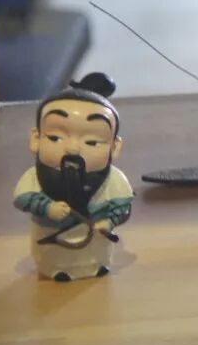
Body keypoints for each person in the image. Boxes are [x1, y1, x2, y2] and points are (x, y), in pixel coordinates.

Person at [13, 73, 133, 281]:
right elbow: (22, 198)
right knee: (56, 260)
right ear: (36, 139)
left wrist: (110, 221)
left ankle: (96, 267)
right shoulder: (35, 177)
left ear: (114, 147)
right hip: (52, 244)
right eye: (55, 138)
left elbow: (123, 206)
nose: (73, 149)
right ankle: (57, 269)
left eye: (92, 142)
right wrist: (47, 207)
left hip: (96, 246)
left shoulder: (113, 180)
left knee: (96, 259)